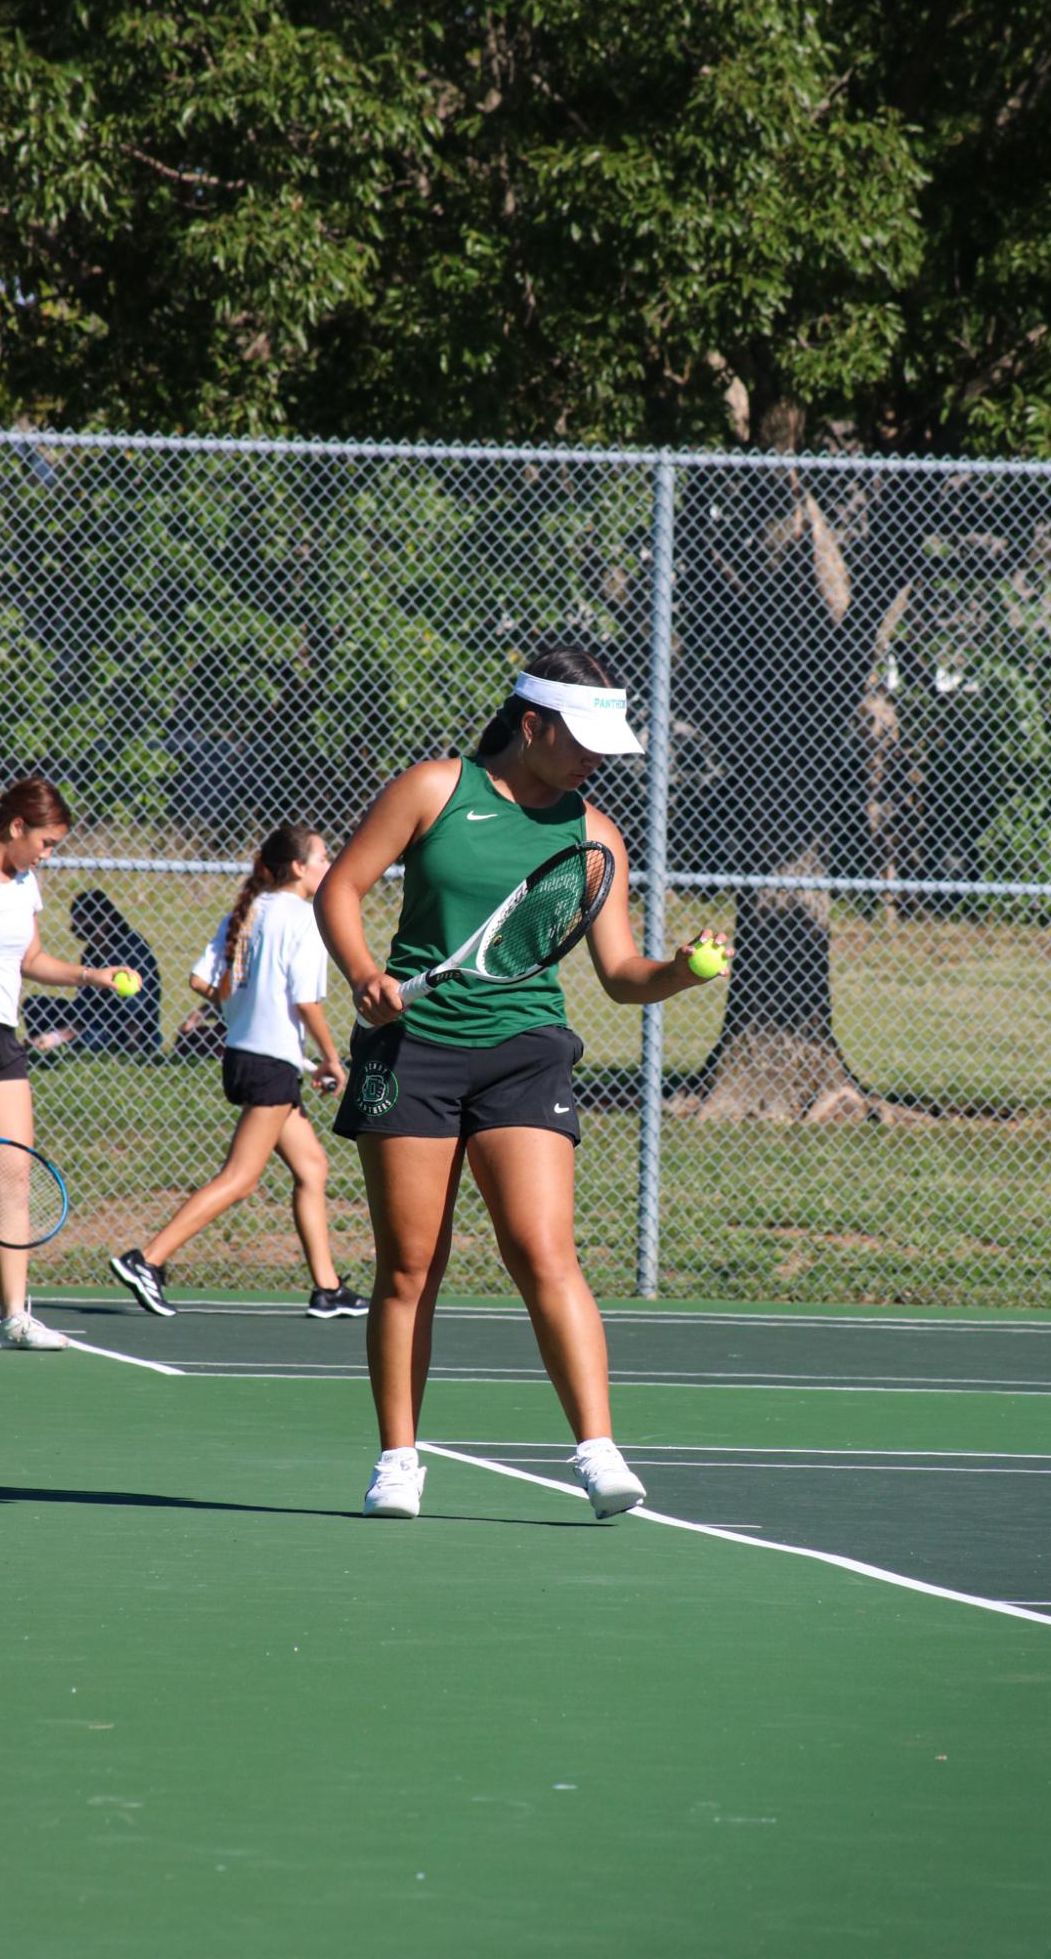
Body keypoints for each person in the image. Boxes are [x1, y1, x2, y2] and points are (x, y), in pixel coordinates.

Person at [314, 647, 731, 1520]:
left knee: (542, 1249)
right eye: (582, 741)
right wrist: (362, 974)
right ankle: (399, 1460)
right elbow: (341, 891)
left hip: (524, 1049)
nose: (596, 761)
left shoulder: (593, 836)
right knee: (409, 1268)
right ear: (532, 723)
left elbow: (620, 974)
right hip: (411, 1050)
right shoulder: (434, 788)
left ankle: (599, 1451)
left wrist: (682, 973)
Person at [109, 823, 365, 1321]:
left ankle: (327, 1289)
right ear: (298, 868)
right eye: (322, 858)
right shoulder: (305, 918)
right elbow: (306, 1002)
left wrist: (244, 1011)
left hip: (250, 1056)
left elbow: (201, 980)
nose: (329, 866)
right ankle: (148, 1259)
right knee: (241, 1178)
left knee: (311, 1167)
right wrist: (333, 1059)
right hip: (269, 1063)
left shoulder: (247, 912)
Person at [0, 778, 137, 1350]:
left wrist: (91, 975)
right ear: (16, 827)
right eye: (45, 841)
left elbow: (33, 958)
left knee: (14, 1172)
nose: (49, 853)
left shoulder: (25, 884)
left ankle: (13, 1318)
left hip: (2, 1035)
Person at [23, 889, 162, 1057]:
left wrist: (68, 1031)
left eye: (87, 927)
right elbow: (85, 1001)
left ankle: (56, 1042)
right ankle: (45, 1044)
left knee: (91, 1032)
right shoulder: (91, 953)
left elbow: (133, 1006)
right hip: (89, 1018)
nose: (79, 932)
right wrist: (74, 1023)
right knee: (35, 1005)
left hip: (122, 1024)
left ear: (105, 921)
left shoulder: (131, 945)